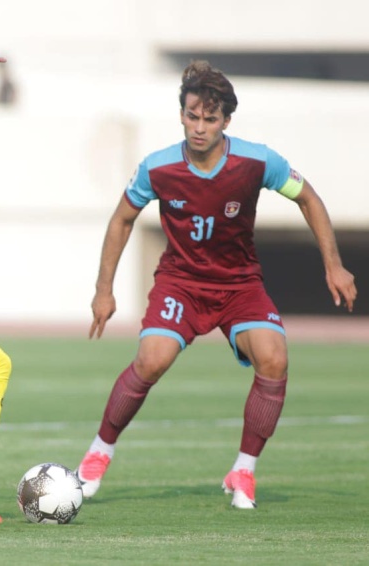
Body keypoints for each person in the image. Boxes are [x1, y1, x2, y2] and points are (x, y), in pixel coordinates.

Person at [75, 60, 357, 510]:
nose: (199, 128)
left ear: (226, 121)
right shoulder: (158, 168)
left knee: (274, 358)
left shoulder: (257, 161)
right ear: (181, 115)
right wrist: (103, 289)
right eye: (192, 117)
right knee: (152, 359)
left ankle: (244, 469)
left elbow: (308, 197)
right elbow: (122, 219)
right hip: (181, 284)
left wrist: (334, 265)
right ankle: (98, 454)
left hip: (239, 285)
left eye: (209, 119)